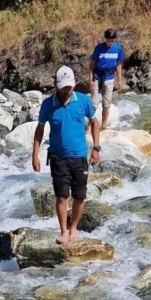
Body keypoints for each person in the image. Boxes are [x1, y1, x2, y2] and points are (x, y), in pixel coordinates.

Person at [32, 65, 100, 244]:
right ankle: (63, 231)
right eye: (63, 87)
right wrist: (35, 155)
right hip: (57, 157)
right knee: (61, 195)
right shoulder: (48, 104)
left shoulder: (83, 100)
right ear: (56, 84)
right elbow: (40, 130)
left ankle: (74, 228)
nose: (66, 90)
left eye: (69, 87)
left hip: (79, 156)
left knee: (79, 196)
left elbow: (94, 122)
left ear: (74, 84)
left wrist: (96, 148)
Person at [89, 28, 124, 130]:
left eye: (113, 40)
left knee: (107, 104)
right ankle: (89, 127)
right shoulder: (98, 49)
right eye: (109, 40)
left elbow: (118, 65)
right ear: (106, 39)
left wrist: (120, 81)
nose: (111, 43)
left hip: (109, 78)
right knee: (94, 104)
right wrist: (90, 80)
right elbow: (91, 65)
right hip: (97, 78)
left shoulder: (118, 49)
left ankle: (103, 125)